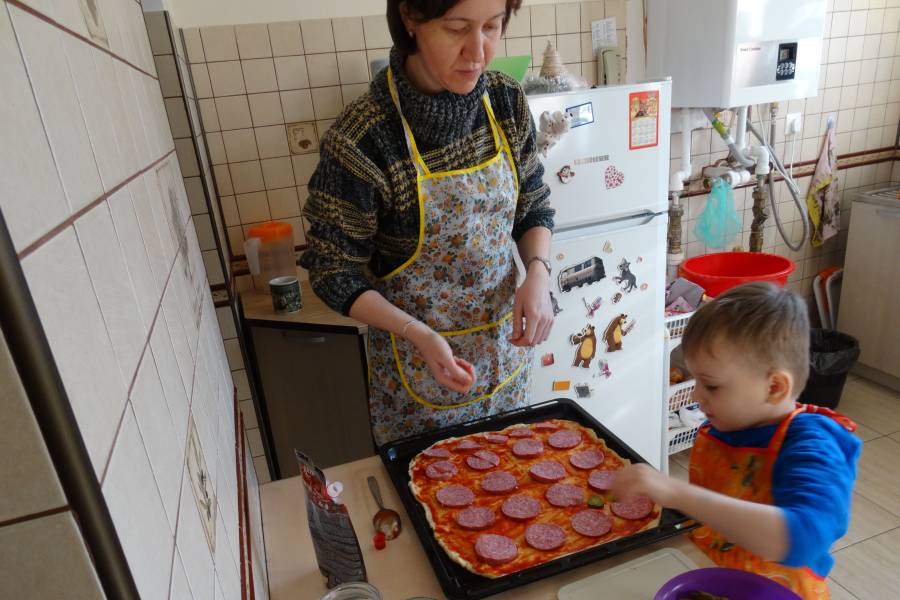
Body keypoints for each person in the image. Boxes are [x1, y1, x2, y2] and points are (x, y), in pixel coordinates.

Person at [299, 0, 555, 446]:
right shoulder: (364, 138)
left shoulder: (506, 100)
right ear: (411, 19)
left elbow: (533, 205)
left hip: (505, 365)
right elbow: (332, 270)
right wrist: (418, 333)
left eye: (492, 27)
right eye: (457, 29)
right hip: (417, 383)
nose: (478, 52)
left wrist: (537, 273)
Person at [611, 282, 860, 599]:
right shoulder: (729, 423)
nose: (697, 397)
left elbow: (804, 536)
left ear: (774, 388)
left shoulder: (814, 444)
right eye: (696, 380)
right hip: (710, 576)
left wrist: (676, 492)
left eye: (711, 386)